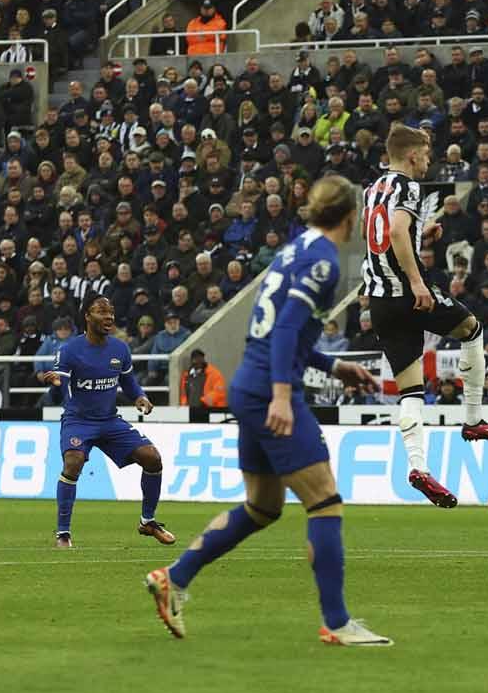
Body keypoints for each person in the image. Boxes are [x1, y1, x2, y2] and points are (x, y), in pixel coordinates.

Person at [144, 175, 391, 645]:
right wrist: (282, 393)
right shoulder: (323, 263)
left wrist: (334, 365)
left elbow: (281, 329)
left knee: (263, 506)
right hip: (267, 391)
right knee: (324, 502)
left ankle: (174, 578)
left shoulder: (296, 249)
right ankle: (337, 623)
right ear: (351, 217)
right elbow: (284, 333)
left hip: (247, 384)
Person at [362, 123, 488, 508]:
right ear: (412, 155)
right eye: (425, 154)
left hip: (379, 301)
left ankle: (418, 468)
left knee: (410, 390)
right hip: (408, 295)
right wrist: (417, 281)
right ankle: (473, 420)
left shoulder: (372, 189)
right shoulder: (408, 187)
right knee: (472, 330)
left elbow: (380, 239)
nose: (428, 161)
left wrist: (421, 237)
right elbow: (394, 232)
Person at [39, 296, 169, 549]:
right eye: (101, 311)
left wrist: (140, 396)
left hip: (110, 421)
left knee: (152, 457)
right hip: (79, 421)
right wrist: (55, 384)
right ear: (87, 316)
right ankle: (63, 534)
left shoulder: (120, 349)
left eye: (110, 312)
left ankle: (148, 521)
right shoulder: (69, 350)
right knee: (73, 462)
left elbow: (129, 383)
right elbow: (59, 388)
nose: (109, 316)